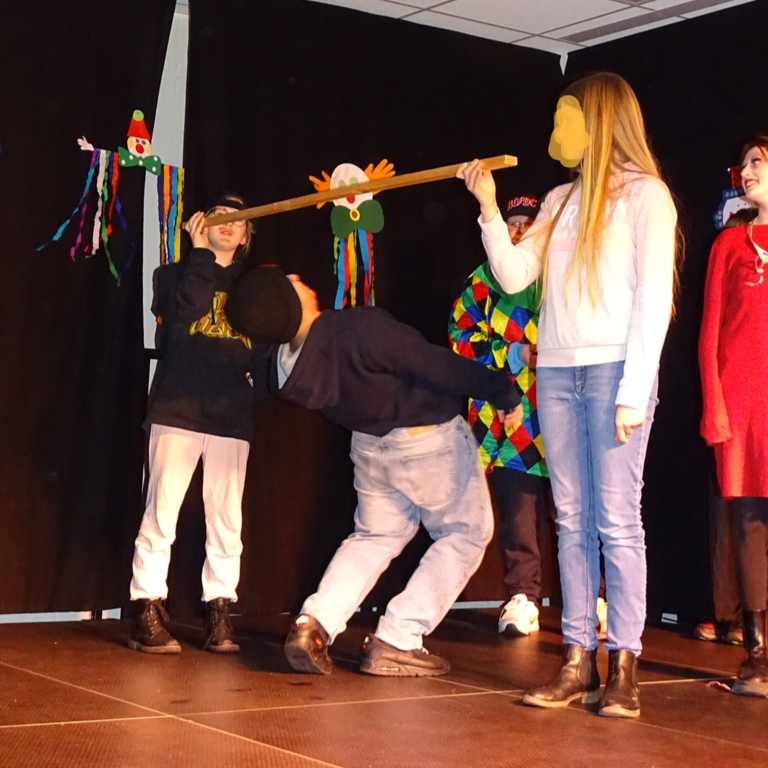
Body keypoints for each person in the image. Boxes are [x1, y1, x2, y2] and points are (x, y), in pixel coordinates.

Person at [459, 72, 679, 718]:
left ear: (601, 120)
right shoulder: (559, 200)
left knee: (617, 519)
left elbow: (653, 300)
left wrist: (634, 391)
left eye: (567, 117)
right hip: (555, 374)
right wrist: (489, 207)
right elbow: (513, 276)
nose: (558, 131)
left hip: (615, 373)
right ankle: (577, 658)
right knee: (573, 520)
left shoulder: (646, 196)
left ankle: (624, 664)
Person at [225, 268, 523, 677]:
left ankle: (313, 624)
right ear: (287, 302)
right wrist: (500, 389)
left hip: (370, 450)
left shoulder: (286, 369)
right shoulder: (356, 329)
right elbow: (430, 362)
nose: (298, 277)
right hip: (426, 439)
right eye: (289, 283)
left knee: (374, 537)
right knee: (466, 533)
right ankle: (398, 637)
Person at [128, 192, 262, 654]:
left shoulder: (254, 286)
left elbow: (267, 343)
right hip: (178, 408)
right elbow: (185, 310)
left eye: (238, 219)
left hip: (231, 412)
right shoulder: (171, 275)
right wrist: (201, 254)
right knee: (161, 513)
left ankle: (219, 609)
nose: (229, 223)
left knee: (227, 521)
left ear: (246, 235)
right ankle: (146, 606)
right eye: (219, 215)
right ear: (201, 224)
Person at [448, 194, 549, 637]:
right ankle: (523, 595)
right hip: (506, 416)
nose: (520, 231)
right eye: (513, 223)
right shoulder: (482, 281)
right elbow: (459, 338)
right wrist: (514, 353)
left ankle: (593, 598)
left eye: (529, 223)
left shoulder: (558, 274)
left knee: (574, 509)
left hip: (561, 407)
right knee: (518, 507)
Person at [699, 135, 768, 698]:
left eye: (757, 162)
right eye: (742, 164)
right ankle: (757, 652)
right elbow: (709, 333)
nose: (745, 171)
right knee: (748, 521)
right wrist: (714, 406)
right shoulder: (728, 244)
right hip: (742, 403)